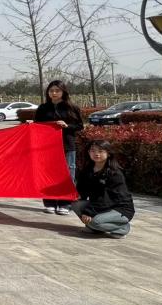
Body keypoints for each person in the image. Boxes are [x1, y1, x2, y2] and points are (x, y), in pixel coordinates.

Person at [35, 80, 84, 214]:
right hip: (47, 147)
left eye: (57, 90)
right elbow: (37, 126)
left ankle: (65, 204)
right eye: (51, 91)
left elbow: (80, 126)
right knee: (48, 175)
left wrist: (67, 126)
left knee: (67, 175)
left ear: (63, 92)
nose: (54, 93)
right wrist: (30, 124)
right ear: (48, 93)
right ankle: (49, 202)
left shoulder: (72, 107)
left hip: (67, 146)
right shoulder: (43, 108)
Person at [73, 139, 134, 237]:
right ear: (88, 152)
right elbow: (82, 190)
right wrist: (77, 196)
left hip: (120, 208)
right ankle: (95, 228)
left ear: (108, 153)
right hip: (101, 205)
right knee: (76, 204)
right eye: (93, 151)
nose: (96, 154)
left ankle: (122, 227)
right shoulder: (87, 170)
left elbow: (107, 199)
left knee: (95, 221)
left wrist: (89, 212)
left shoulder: (115, 173)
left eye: (100, 151)